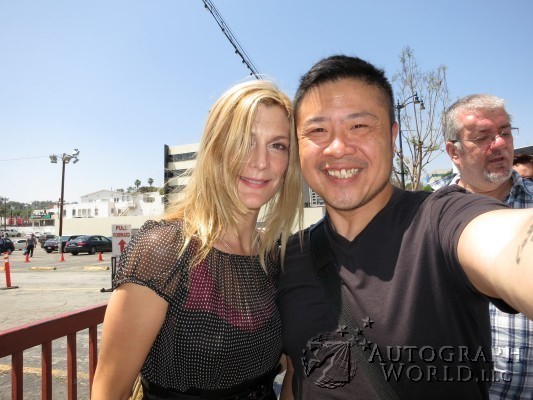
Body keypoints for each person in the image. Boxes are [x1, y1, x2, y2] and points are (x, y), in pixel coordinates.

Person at [277, 55, 533, 399]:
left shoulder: (440, 219)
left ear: (392, 136)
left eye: (359, 126)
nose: (338, 148)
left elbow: (508, 244)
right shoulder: (289, 257)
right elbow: (297, 374)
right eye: (318, 130)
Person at [92, 79, 303, 400]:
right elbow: (110, 392)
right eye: (244, 141)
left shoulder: (274, 258)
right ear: (216, 150)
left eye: (278, 145)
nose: (260, 161)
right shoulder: (164, 249)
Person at [438, 94, 533, 399]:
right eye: (483, 137)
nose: (500, 143)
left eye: (505, 132)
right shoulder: (426, 218)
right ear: (454, 151)